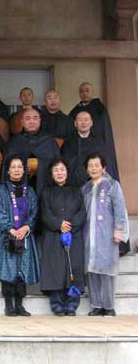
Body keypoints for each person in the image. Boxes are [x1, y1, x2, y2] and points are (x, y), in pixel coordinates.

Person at [0, 156, 39, 316]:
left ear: (24, 170)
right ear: (8, 171)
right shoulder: (2, 190)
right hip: (6, 236)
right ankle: (9, 304)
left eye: (19, 167)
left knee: (22, 269)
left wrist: (26, 227)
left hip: (25, 235)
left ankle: (20, 305)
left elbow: (34, 212)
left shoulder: (29, 191)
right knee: (7, 269)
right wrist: (10, 229)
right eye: (13, 167)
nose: (16, 170)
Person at [82, 153, 129, 317]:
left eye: (96, 165)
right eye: (90, 165)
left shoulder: (112, 185)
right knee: (91, 271)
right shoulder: (85, 188)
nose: (93, 168)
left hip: (107, 235)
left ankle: (109, 306)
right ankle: (96, 305)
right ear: (87, 169)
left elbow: (120, 209)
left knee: (107, 271)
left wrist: (118, 231)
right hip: (89, 235)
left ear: (103, 168)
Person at [39, 158, 86, 316]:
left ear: (67, 172)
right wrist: (59, 224)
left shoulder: (76, 191)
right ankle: (57, 304)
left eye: (62, 169)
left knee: (74, 268)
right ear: (51, 174)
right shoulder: (46, 192)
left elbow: (82, 212)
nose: (59, 173)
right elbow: (45, 213)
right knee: (55, 269)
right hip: (53, 236)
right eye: (56, 170)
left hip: (74, 236)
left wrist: (70, 225)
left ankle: (72, 304)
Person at [2, 108, 60, 197]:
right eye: (28, 118)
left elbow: (56, 165)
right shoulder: (15, 141)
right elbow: (7, 165)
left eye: (35, 118)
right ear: (22, 122)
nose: (31, 121)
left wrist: (38, 165)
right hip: (19, 188)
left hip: (45, 188)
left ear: (40, 121)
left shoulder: (49, 141)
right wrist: (24, 165)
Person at [69, 82, 120, 181]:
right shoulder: (75, 111)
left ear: (92, 92)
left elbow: (104, 131)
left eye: (87, 90)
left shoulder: (100, 109)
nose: (84, 93)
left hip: (96, 147)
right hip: (78, 149)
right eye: (82, 91)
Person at [61, 111, 118, 187]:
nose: (83, 122)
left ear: (91, 123)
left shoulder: (99, 143)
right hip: (73, 185)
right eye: (80, 120)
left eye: (86, 119)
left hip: (95, 184)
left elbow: (106, 165)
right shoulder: (68, 143)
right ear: (75, 123)